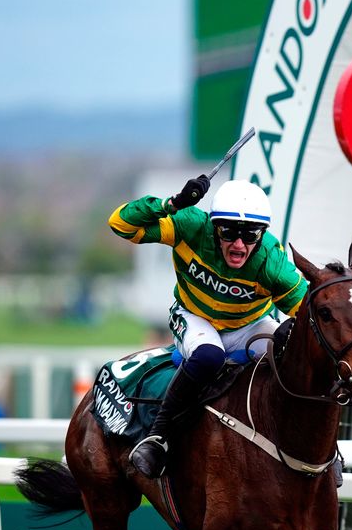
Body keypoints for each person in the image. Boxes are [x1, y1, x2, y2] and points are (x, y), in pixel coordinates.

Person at [108, 175, 308, 478]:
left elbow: (311, 317)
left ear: (263, 234)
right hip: (194, 317)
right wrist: (170, 204)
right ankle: (157, 437)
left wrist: (294, 331)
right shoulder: (190, 224)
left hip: (247, 325)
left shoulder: (272, 262)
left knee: (291, 349)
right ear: (214, 226)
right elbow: (120, 224)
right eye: (229, 232)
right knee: (209, 356)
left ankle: (312, 449)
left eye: (251, 235)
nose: (239, 244)